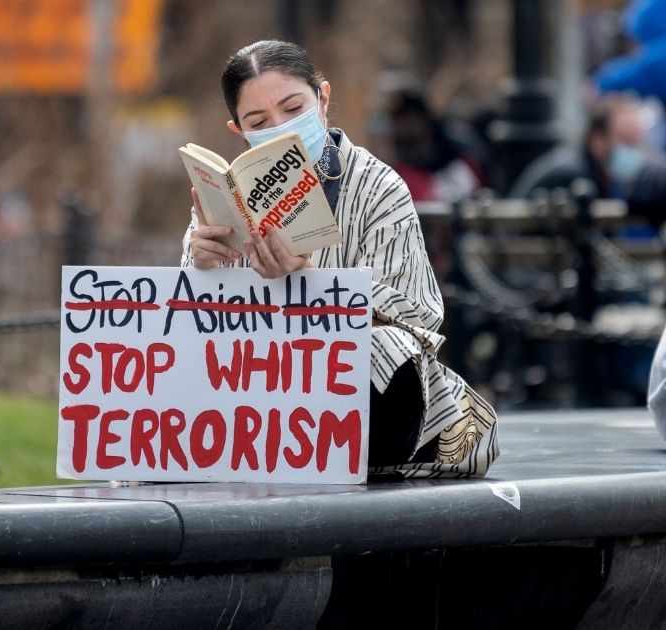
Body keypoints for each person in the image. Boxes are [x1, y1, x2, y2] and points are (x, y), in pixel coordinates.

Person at [181, 40, 498, 478]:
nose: (281, 128)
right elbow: (187, 330)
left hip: (351, 395)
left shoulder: (380, 188)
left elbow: (416, 321)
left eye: (293, 109)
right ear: (239, 131)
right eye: (260, 121)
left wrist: (311, 279)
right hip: (253, 388)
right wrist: (199, 264)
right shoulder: (227, 196)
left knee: (391, 352)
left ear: (323, 100)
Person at [509, 96, 666, 229]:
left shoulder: (597, 173)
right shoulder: (574, 175)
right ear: (597, 140)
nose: (635, 152)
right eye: (626, 141)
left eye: (638, 143)